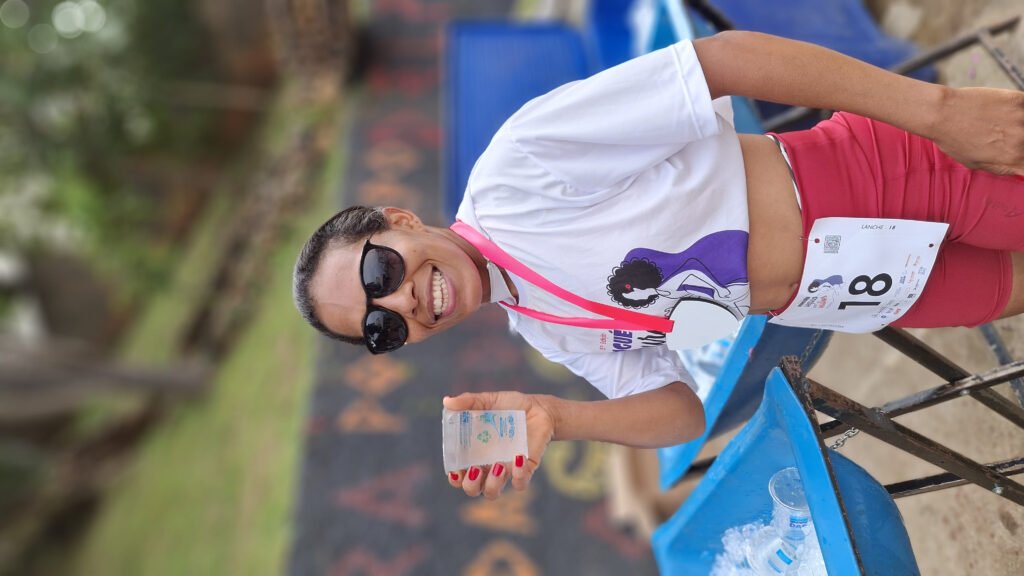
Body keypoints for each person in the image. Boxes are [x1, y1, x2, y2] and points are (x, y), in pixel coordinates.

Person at [292, 31, 1024, 501]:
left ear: (400, 220)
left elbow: (722, 61)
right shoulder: (542, 329)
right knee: (1009, 294)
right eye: (381, 329)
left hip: (866, 180)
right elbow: (681, 413)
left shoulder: (517, 171)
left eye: (378, 276)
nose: (400, 304)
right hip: (846, 288)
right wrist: (559, 417)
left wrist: (938, 110)